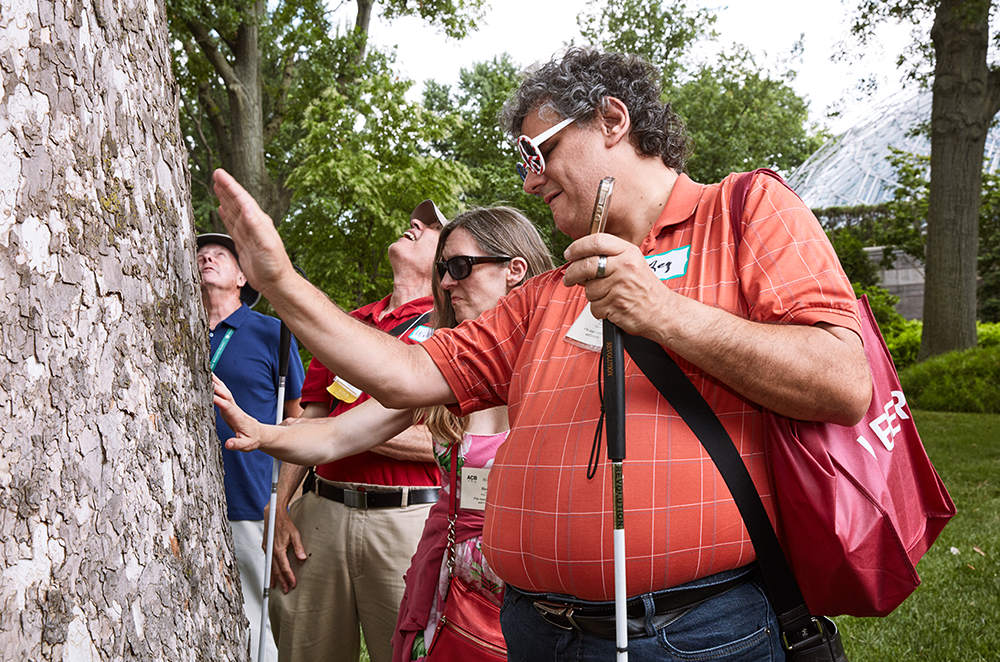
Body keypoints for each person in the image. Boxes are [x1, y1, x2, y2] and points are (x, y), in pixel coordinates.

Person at [213, 47, 873, 662]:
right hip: (535, 631)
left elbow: (844, 381)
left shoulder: (746, 209)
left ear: (611, 119)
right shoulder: (550, 292)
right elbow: (409, 373)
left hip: (691, 631)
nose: (529, 183)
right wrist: (280, 281)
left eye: (536, 152)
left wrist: (664, 311)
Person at [213, 206, 554, 661]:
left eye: (459, 267)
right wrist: (261, 432)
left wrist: (278, 279)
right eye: (443, 271)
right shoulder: (446, 367)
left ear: (515, 270)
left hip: (521, 578)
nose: (447, 283)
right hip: (445, 564)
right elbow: (334, 435)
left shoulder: (562, 363)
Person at [265, 200, 447, 662]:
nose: (415, 224)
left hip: (408, 523)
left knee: (412, 653)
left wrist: (337, 430)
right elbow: (308, 419)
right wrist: (280, 508)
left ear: (450, 258)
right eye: (415, 219)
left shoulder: (456, 327)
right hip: (320, 515)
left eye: (429, 227)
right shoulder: (346, 325)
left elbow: (449, 443)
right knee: (304, 652)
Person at [197, 233, 306, 662]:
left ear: (243, 276)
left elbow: (297, 417)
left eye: (220, 254)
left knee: (257, 623)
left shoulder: (272, 331)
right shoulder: (175, 328)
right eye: (201, 254)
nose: (207, 257)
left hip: (249, 498)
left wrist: (284, 501)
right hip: (180, 500)